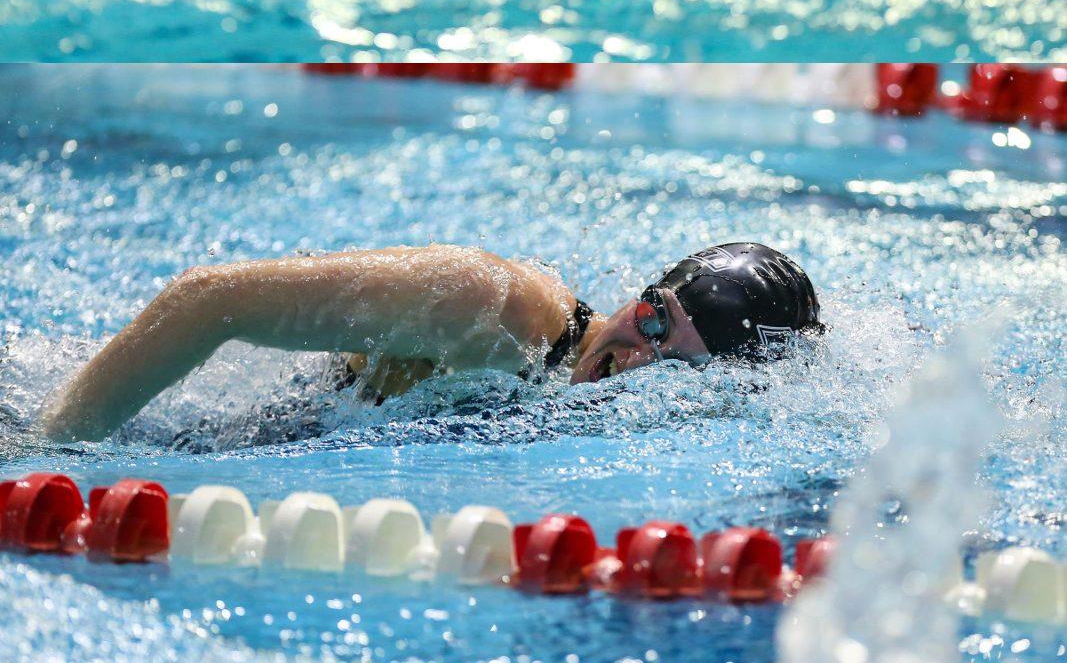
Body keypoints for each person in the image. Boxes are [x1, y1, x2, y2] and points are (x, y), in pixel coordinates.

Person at [38, 241, 822, 442]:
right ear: (641, 293)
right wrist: (53, 449)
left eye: (675, 360)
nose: (636, 356)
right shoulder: (487, 306)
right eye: (652, 319)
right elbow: (207, 299)